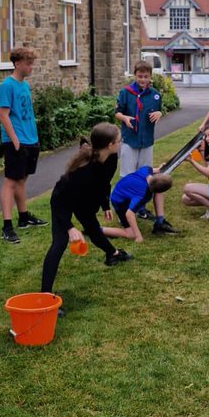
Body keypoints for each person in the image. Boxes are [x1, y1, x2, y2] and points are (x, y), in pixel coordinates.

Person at [41, 124, 133, 309]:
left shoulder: (112, 158)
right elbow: (60, 200)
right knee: (59, 244)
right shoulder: (81, 171)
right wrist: (69, 227)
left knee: (93, 228)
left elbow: (103, 183)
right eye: (119, 140)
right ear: (109, 144)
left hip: (84, 199)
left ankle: (112, 254)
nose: (121, 142)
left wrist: (105, 204)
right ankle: (45, 295)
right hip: (63, 201)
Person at [0, 45, 47, 243]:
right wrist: (15, 140)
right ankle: (7, 227)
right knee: (10, 182)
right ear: (17, 64)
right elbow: (3, 114)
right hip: (15, 141)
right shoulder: (7, 85)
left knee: (21, 179)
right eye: (28, 64)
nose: (31, 67)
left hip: (30, 139)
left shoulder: (24, 85)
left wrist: (33, 138)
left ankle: (24, 218)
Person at [115, 60, 163, 182]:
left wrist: (159, 113)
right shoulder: (125, 92)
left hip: (147, 140)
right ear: (135, 75)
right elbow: (117, 113)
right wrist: (124, 118)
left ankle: (141, 199)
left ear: (150, 77)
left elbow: (158, 111)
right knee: (127, 174)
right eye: (140, 76)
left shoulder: (155, 95)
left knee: (145, 173)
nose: (142, 80)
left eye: (146, 77)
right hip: (130, 138)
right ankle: (126, 199)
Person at [104, 168, 176, 243]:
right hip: (119, 202)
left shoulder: (146, 171)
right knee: (131, 234)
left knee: (158, 189)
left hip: (122, 189)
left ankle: (159, 223)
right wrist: (138, 236)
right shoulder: (142, 195)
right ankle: (96, 229)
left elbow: (151, 169)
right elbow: (129, 214)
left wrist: (158, 169)